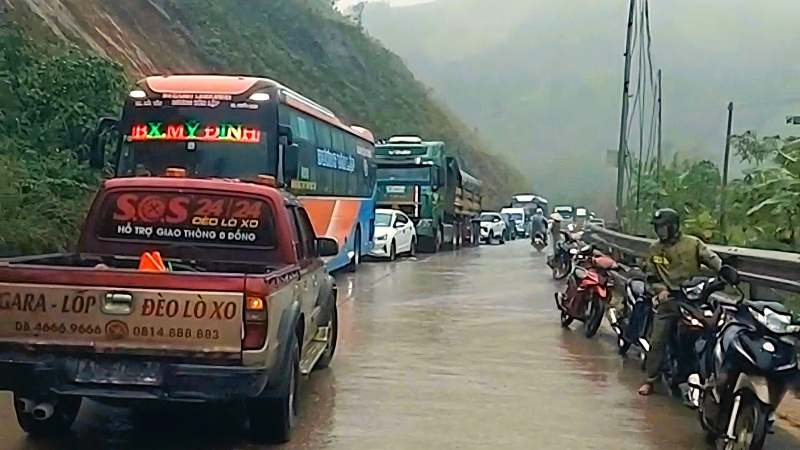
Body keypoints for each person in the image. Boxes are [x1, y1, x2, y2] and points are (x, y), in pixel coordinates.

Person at [638, 208, 722, 396]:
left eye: (663, 227)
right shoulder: (655, 249)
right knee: (657, 339)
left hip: (693, 298)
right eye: (657, 227)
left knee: (712, 330)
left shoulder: (693, 244)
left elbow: (711, 259)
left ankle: (712, 377)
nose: (659, 231)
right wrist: (661, 290)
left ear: (674, 227)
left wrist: (723, 270)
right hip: (670, 300)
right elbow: (650, 276)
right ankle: (651, 380)